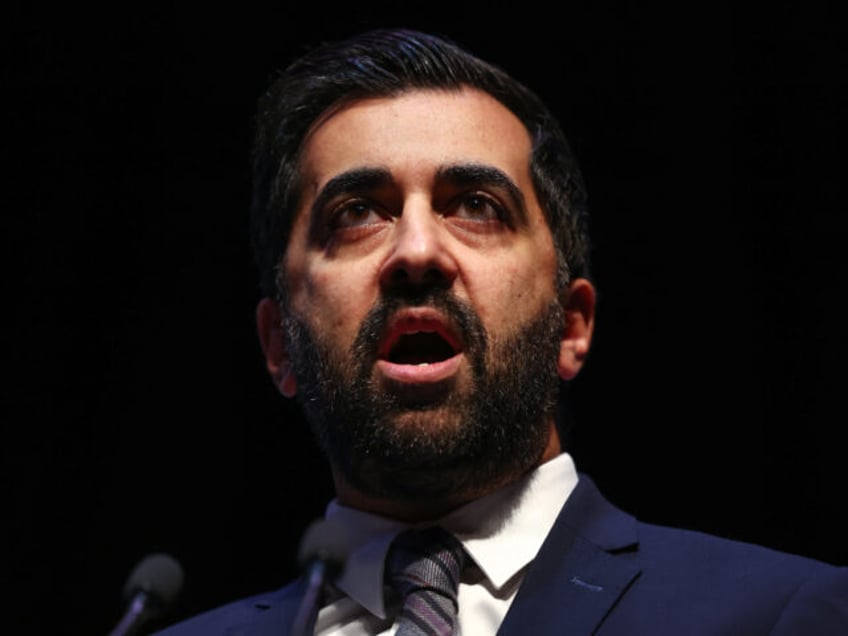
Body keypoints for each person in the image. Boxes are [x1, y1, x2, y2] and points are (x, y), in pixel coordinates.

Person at [155, 28, 848, 635]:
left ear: (571, 326)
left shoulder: (783, 615)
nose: (417, 252)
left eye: (477, 206)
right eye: (358, 211)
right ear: (278, 347)